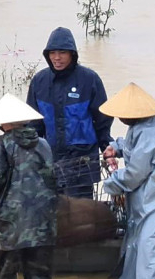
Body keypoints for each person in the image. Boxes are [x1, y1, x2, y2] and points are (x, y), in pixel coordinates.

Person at [99, 83, 155, 279]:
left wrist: (110, 183)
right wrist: (116, 147)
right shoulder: (139, 127)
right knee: (136, 245)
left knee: (150, 250)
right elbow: (131, 146)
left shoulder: (149, 133)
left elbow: (135, 173)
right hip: (145, 198)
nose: (121, 119)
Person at [0, 94, 58, 279]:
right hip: (43, 219)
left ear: (4, 123)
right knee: (39, 278)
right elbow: (53, 179)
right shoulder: (43, 144)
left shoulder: (0, 143)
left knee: (5, 275)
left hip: (11, 220)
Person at [26, 27, 113, 198]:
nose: (57, 58)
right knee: (54, 214)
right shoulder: (39, 82)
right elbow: (33, 125)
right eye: (52, 53)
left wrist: (107, 150)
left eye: (62, 52)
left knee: (81, 217)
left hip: (82, 162)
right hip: (50, 162)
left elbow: (102, 120)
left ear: (72, 54)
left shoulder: (89, 80)